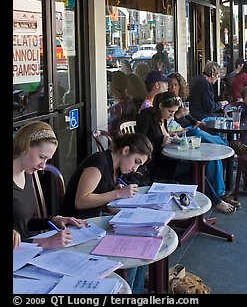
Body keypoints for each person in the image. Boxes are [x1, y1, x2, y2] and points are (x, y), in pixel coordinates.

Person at [59, 132, 153, 294]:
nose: (134, 168)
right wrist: (116, 194)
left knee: (143, 246)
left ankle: (135, 291)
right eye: (136, 162)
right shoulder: (98, 163)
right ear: (125, 150)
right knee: (132, 251)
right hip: (74, 229)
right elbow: (80, 202)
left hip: (92, 224)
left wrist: (120, 204)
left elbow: (103, 204)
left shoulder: (115, 168)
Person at [167, 72, 241, 209]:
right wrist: (178, 115)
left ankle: (220, 194)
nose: (173, 88)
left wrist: (196, 121)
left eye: (176, 85)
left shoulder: (179, 100)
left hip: (187, 127)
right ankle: (228, 145)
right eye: (170, 85)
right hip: (181, 133)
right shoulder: (166, 101)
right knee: (198, 132)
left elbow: (187, 116)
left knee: (214, 151)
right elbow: (170, 122)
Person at [13, 121, 86, 249]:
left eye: (47, 160)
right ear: (25, 146)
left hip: (29, 252)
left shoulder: (26, 174)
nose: (43, 165)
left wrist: (53, 220)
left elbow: (24, 223)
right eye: (42, 157)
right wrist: (44, 242)